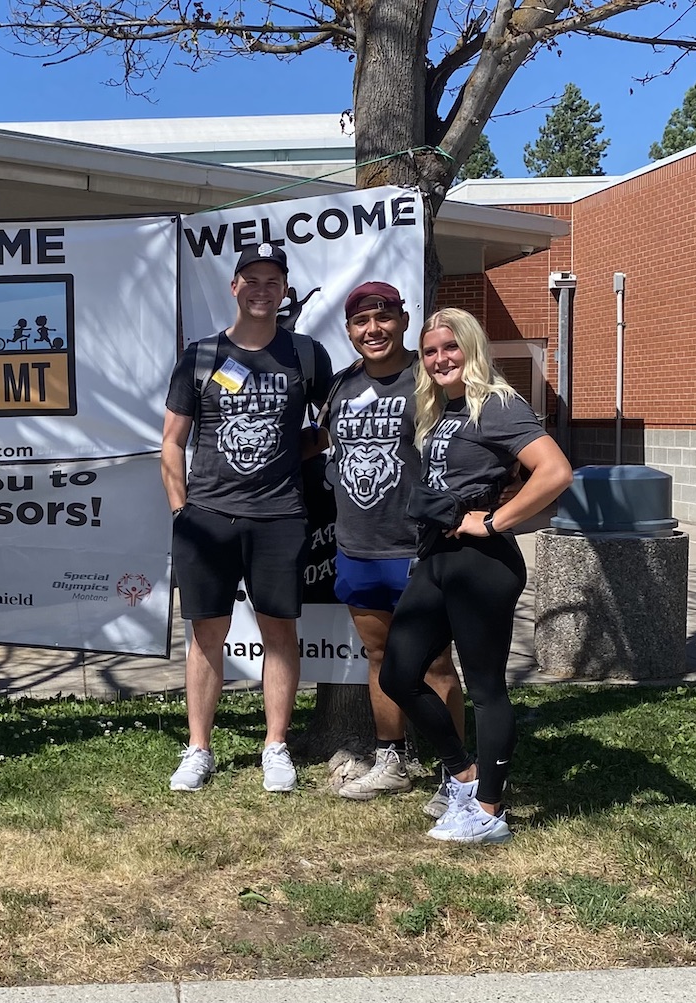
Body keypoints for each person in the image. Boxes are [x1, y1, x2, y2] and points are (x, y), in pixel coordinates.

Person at [379, 307, 573, 844]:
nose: (440, 358)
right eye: (430, 351)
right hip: (437, 560)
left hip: (480, 565)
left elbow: (556, 471)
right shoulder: (440, 409)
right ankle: (463, 774)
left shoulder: (499, 405)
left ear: (471, 348)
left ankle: (489, 811)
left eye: (450, 347)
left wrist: (492, 521)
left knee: (486, 689)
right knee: (398, 674)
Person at [162, 242, 333, 793]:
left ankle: (276, 747)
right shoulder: (202, 356)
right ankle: (198, 749)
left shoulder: (306, 355)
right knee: (206, 632)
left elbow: (329, 429)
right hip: (207, 516)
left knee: (278, 630)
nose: (262, 290)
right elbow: (171, 442)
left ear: (285, 290)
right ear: (234, 286)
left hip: (280, 516)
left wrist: (286, 457)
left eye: (273, 281)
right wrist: (181, 510)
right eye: (251, 280)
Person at [319, 283, 465, 812]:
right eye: (361, 323)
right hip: (357, 548)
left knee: (434, 664)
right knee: (378, 657)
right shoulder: (340, 386)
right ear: (350, 331)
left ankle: (457, 774)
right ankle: (392, 759)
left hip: (419, 548)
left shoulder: (430, 379)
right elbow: (319, 445)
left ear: (404, 321)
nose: (373, 330)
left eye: (383, 319)